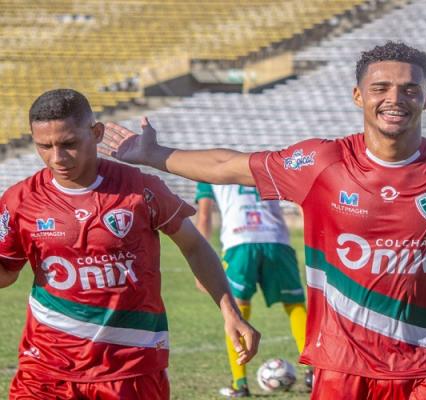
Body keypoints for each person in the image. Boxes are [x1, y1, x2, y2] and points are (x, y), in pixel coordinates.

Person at [101, 41, 426, 400]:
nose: (395, 98)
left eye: (410, 89)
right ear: (358, 96)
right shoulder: (321, 164)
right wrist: (155, 153)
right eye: (380, 87)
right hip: (341, 370)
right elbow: (227, 166)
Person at [0, 89, 260, 399]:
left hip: (131, 369)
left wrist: (230, 311)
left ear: (96, 133)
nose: (57, 157)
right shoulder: (20, 201)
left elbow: (194, 245)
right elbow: (6, 273)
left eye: (69, 144)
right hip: (45, 370)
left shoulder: (141, 189)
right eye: (44, 146)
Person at [194, 182, 309, 397]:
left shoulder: (208, 173)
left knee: (236, 310)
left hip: (239, 242)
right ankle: (315, 373)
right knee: (295, 306)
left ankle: (240, 384)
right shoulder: (265, 168)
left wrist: (200, 268)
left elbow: (204, 217)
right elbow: (301, 200)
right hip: (277, 241)